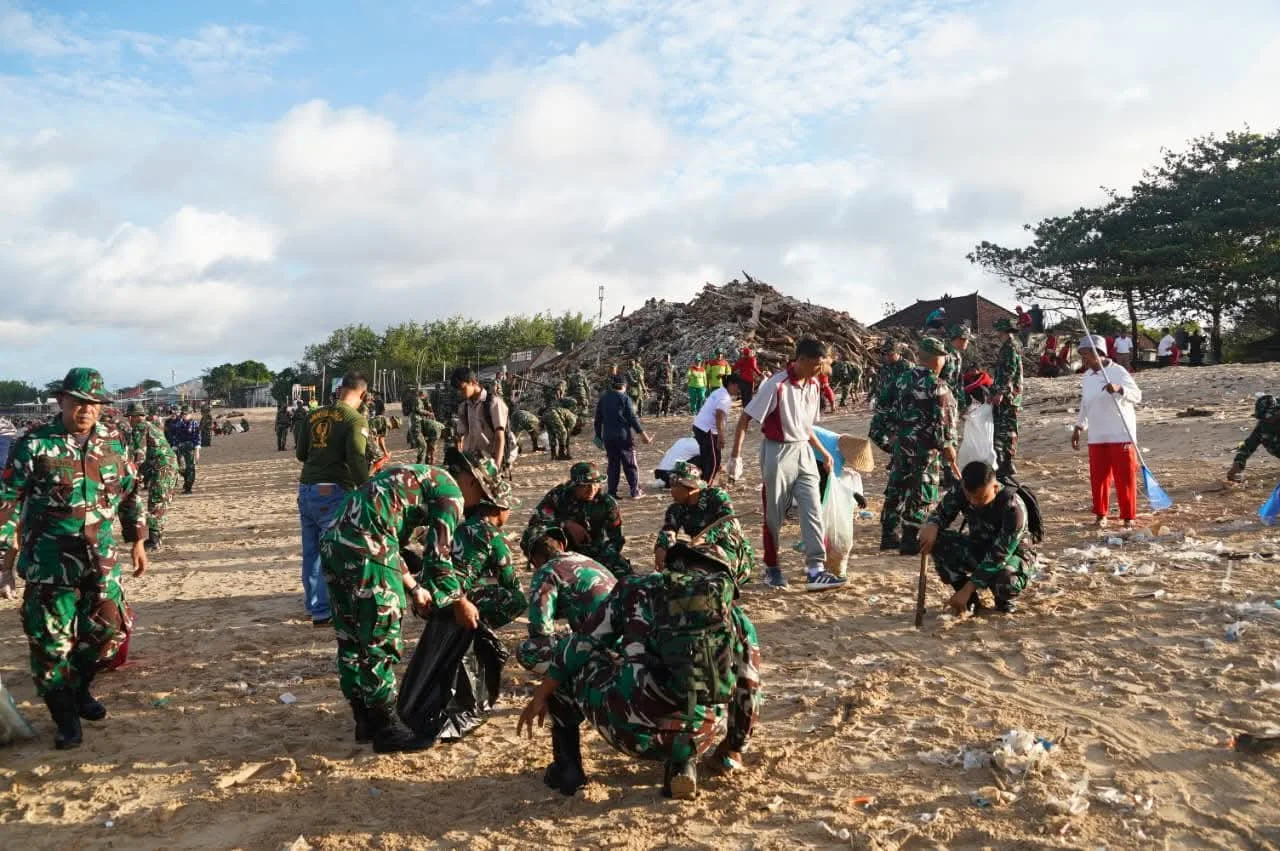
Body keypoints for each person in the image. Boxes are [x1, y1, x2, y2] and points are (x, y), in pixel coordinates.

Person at [517, 536, 760, 799]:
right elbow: (748, 693)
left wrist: (542, 693)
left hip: (628, 732)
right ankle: (682, 764)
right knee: (696, 692)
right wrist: (731, 748)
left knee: (570, 660)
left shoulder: (636, 588)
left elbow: (580, 647)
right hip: (700, 737)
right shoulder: (736, 619)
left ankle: (568, 769)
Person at [0, 368, 148, 749]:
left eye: (94, 404)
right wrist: (5, 557)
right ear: (62, 401)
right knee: (51, 644)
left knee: (108, 634)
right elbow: (8, 502)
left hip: (101, 562)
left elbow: (130, 494)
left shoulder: (113, 443)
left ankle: (80, 688)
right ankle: (65, 716)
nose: (86, 409)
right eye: (78, 401)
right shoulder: (34, 444)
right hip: (49, 564)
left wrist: (138, 540)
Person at [319, 451, 491, 753]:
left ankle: (364, 718)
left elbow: (391, 541)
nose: (475, 505)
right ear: (471, 480)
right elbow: (439, 558)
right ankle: (385, 727)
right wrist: (459, 601)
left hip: (334, 540)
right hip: (368, 547)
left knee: (349, 635)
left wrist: (415, 589)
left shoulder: (410, 476)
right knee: (379, 632)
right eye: (480, 494)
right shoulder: (450, 493)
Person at [728, 336, 844, 591]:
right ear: (801, 359)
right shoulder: (776, 385)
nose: (819, 370)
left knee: (813, 508)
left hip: (803, 451)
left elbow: (806, 426)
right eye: (815, 364)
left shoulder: (813, 385)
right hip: (777, 452)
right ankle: (772, 567)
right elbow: (745, 419)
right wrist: (735, 457)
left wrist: (823, 452)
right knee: (774, 513)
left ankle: (815, 568)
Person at [296, 372, 371, 627]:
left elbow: (301, 453)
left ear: (340, 390)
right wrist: (368, 489)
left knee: (311, 553)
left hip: (307, 489)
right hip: (334, 491)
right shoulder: (355, 419)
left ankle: (317, 609)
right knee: (337, 552)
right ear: (362, 394)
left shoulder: (313, 415)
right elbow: (357, 459)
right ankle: (337, 607)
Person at [919, 461, 1034, 615]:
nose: (974, 502)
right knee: (939, 542)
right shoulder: (962, 490)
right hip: (979, 546)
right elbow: (941, 513)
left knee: (1007, 582)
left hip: (1012, 556)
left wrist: (969, 587)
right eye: (970, 497)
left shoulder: (1013, 508)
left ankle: (1002, 599)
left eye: (980, 498)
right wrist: (932, 525)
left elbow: (999, 555)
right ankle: (969, 599)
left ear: (994, 487)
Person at [881, 337, 959, 555]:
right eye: (943, 356)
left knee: (897, 485)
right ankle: (909, 537)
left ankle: (888, 534)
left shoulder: (901, 379)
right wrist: (949, 447)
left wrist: (892, 434)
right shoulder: (937, 385)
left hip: (902, 443)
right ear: (936, 359)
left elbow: (883, 407)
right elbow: (945, 420)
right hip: (925, 448)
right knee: (922, 489)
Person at [515, 524, 618, 677]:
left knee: (528, 651)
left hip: (601, 645)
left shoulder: (546, 572)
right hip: (624, 637)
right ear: (562, 545)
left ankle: (574, 676)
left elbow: (541, 628)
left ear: (535, 560)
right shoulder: (586, 560)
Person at [1071, 336, 1142, 528]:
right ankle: (1100, 515)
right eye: (1082, 355)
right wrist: (1079, 426)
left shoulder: (1118, 371)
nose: (1084, 360)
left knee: (1124, 479)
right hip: (1097, 436)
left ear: (1099, 353)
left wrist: (1120, 389)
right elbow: (1086, 404)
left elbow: (1137, 395)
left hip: (1121, 434)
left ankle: (1128, 517)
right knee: (1099, 478)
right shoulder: (1087, 377)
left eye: (1086, 355)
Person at [529, 461, 631, 577]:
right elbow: (536, 523)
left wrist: (596, 558)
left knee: (623, 572)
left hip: (596, 551)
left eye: (596, 483)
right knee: (535, 536)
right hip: (563, 552)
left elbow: (616, 539)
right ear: (574, 485)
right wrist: (564, 524)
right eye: (585, 485)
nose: (592, 489)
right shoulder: (559, 496)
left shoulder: (607, 503)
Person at [655, 460, 755, 575]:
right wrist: (662, 546)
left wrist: (705, 537)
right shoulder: (676, 508)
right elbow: (669, 528)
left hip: (731, 553)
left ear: (689, 487)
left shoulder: (716, 496)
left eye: (675, 485)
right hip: (701, 549)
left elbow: (727, 521)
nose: (671, 490)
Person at [125, 402, 178, 552]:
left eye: (129, 417)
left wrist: (133, 473)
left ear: (134, 417)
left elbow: (139, 454)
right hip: (167, 466)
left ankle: (154, 541)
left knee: (156, 502)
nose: (129, 420)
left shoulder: (140, 427)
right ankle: (157, 536)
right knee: (161, 502)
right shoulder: (151, 426)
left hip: (162, 468)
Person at [594, 373, 652, 499]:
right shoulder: (625, 399)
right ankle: (635, 491)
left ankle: (612, 492)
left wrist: (598, 436)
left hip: (608, 437)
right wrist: (643, 434)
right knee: (630, 464)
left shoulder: (603, 399)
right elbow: (632, 418)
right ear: (624, 386)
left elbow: (598, 419)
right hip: (623, 436)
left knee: (613, 465)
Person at [691, 373, 742, 483]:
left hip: (699, 426)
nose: (738, 390)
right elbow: (719, 416)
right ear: (731, 385)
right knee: (714, 460)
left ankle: (699, 479)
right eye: (738, 387)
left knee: (706, 456)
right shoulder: (725, 398)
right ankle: (707, 485)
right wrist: (721, 437)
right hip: (707, 429)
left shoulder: (719, 391)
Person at [452, 367, 509, 466]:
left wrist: (496, 467)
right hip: (470, 461)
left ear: (473, 382)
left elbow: (500, 437)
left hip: (490, 462)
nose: (459, 393)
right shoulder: (463, 407)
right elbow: (460, 435)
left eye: (462, 388)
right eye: (458, 390)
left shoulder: (494, 403)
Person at [990, 318, 1024, 483]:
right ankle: (1006, 462)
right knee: (1008, 427)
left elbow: (1009, 371)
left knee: (1005, 429)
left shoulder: (1009, 347)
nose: (996, 334)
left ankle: (1006, 462)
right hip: (1011, 394)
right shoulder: (1012, 345)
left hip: (1008, 395)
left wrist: (1001, 392)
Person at [1228, 395, 1280, 483]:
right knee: (1267, 438)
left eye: (1268, 418)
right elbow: (1249, 444)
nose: (1266, 421)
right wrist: (1238, 463)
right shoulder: (1265, 425)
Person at [165, 406, 201, 494]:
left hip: (190, 449)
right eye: (183, 414)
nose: (184, 415)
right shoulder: (179, 424)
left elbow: (197, 437)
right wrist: (174, 446)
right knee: (179, 467)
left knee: (190, 468)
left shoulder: (194, 423)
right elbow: (175, 435)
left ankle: (188, 488)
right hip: (180, 448)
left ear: (190, 414)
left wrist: (197, 450)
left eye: (186, 414)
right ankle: (186, 481)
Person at [942, 324, 972, 416]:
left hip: (952, 402)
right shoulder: (943, 353)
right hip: (942, 403)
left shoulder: (957, 355)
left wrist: (962, 405)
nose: (968, 342)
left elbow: (958, 383)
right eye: (967, 340)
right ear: (960, 339)